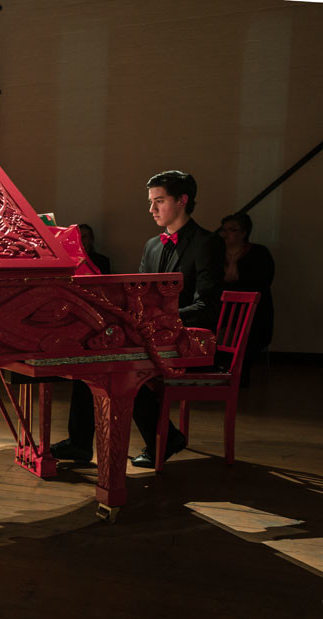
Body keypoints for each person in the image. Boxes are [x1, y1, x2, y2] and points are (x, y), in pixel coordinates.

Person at [52, 170, 225, 468]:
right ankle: (81, 443)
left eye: (159, 201)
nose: (151, 209)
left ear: (182, 201)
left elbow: (207, 307)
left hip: (188, 337)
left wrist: (158, 321)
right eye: (150, 202)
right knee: (90, 356)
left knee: (120, 368)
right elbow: (141, 299)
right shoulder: (152, 245)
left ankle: (165, 438)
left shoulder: (207, 243)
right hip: (154, 335)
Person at [218, 212, 274, 386]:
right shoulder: (216, 253)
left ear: (244, 233)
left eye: (232, 230)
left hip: (252, 312)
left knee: (247, 331)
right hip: (223, 310)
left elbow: (262, 281)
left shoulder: (259, 253)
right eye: (224, 230)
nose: (226, 234)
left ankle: (240, 374)